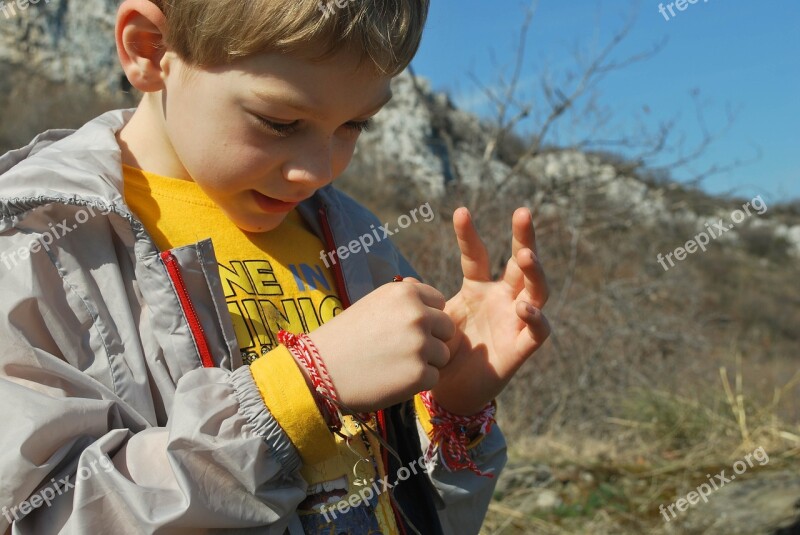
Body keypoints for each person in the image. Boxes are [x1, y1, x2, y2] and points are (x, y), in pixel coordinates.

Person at [0, 0, 551, 533]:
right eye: (280, 122)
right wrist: (299, 392)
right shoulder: (39, 245)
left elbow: (420, 510)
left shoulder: (360, 243)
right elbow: (40, 514)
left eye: (356, 124)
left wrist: (450, 410)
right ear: (150, 48)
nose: (318, 171)